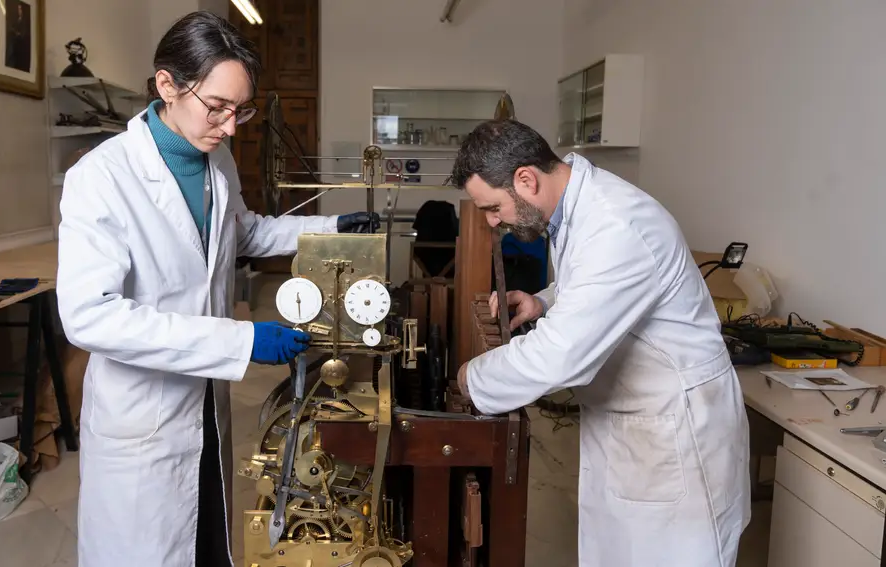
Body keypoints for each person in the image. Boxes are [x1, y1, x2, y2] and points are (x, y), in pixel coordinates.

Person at [55, 12, 379, 567]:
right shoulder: (103, 176)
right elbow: (90, 317)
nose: (231, 127)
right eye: (218, 107)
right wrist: (241, 340)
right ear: (167, 85)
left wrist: (331, 228)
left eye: (240, 110)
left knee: (206, 540)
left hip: (205, 401)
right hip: (144, 420)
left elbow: (242, 232)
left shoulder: (215, 158)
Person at [452, 120, 750, 567]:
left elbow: (558, 356)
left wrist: (471, 378)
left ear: (526, 179)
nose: (493, 222)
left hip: (676, 433)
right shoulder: (579, 206)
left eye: (493, 207)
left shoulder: (618, 223)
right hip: (635, 424)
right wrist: (542, 301)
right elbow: (595, 284)